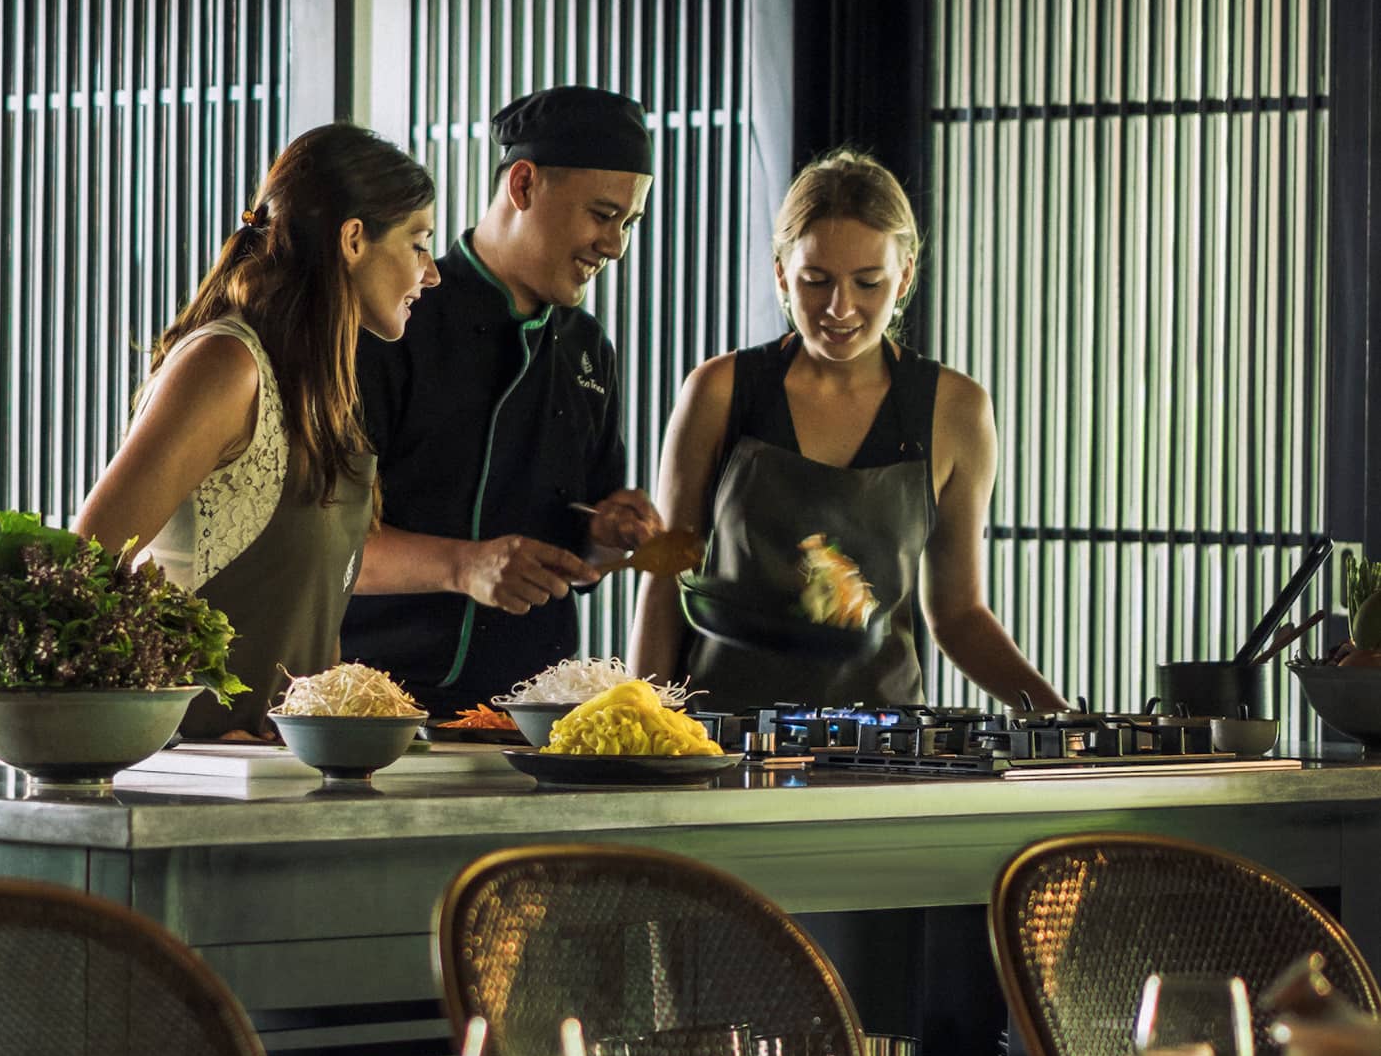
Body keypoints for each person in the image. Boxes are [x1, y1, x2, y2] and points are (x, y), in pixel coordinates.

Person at [627, 148, 1068, 712]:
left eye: (867, 283)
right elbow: (666, 582)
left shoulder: (955, 411)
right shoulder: (719, 391)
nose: (840, 308)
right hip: (722, 738)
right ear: (782, 273)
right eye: (816, 281)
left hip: (887, 746)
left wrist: (1064, 721)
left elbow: (958, 615)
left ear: (904, 275)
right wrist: (642, 732)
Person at [76, 123, 438, 738]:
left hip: (285, 778)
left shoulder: (321, 386)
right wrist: (185, 729)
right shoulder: (226, 366)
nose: (431, 275)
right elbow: (80, 568)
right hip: (187, 783)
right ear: (354, 238)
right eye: (418, 243)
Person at [341, 85, 662, 718]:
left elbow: (583, 548)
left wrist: (605, 536)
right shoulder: (397, 319)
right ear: (523, 185)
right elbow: (325, 543)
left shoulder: (589, 349)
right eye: (602, 215)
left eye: (628, 223)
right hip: (378, 705)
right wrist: (463, 566)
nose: (616, 245)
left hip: (531, 715)